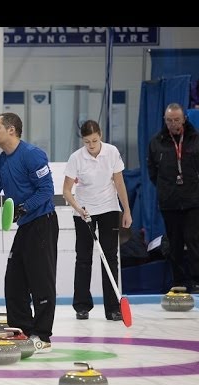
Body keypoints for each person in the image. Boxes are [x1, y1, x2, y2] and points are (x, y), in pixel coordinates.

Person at [0, 112, 58, 353]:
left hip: (42, 222)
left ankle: (42, 337)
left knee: (41, 280)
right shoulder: (2, 160)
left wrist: (24, 207)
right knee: (14, 281)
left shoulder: (32, 155)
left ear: (11, 130)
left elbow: (46, 191)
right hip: (24, 225)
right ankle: (21, 329)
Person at [62, 120, 132, 321]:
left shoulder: (111, 152)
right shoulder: (76, 158)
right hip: (84, 211)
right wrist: (78, 208)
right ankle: (82, 306)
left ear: (100, 135)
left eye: (94, 140)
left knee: (110, 256)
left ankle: (113, 308)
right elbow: (66, 190)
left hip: (109, 208)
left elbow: (119, 182)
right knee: (83, 258)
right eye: (87, 142)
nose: (91, 145)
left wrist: (126, 210)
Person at [148, 103, 199, 294]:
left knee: (193, 240)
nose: (173, 124)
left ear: (184, 118)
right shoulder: (157, 142)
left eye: (177, 120)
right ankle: (178, 281)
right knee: (174, 242)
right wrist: (165, 189)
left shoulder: (195, 139)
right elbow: (152, 172)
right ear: (164, 120)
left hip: (193, 200)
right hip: (169, 202)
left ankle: (196, 280)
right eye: (169, 120)